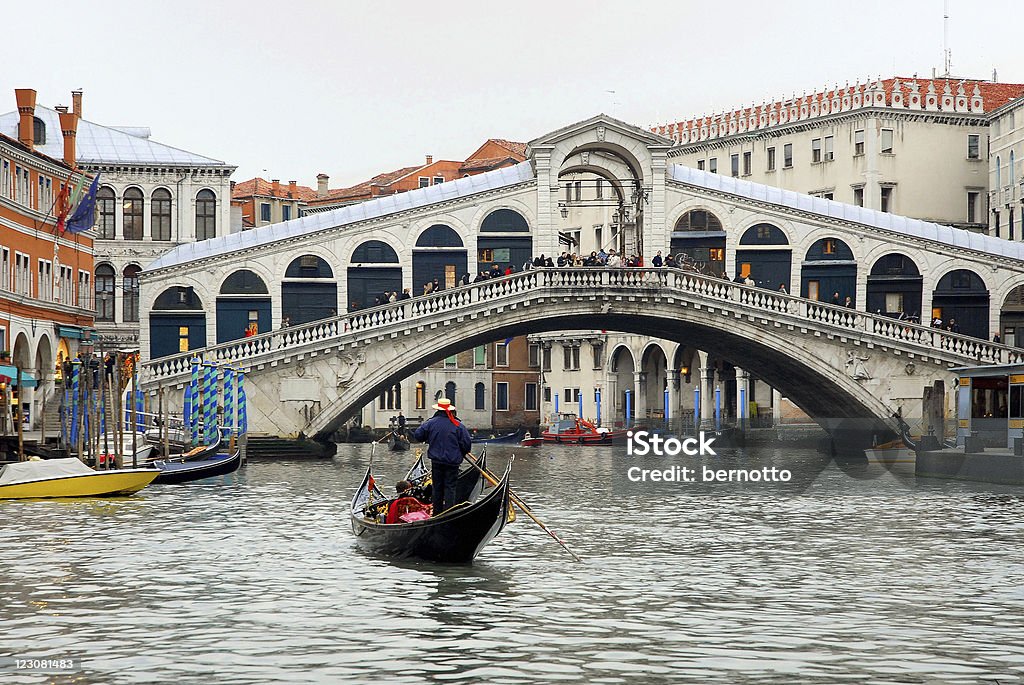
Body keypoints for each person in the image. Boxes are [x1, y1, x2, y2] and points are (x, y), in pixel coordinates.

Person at [413, 398, 472, 514]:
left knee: (437, 487)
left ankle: (437, 512)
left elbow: (418, 436)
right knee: (450, 487)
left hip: (437, 461)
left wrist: (428, 437)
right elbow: (466, 445)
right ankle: (449, 512)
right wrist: (461, 452)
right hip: (453, 462)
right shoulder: (458, 425)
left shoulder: (430, 423)